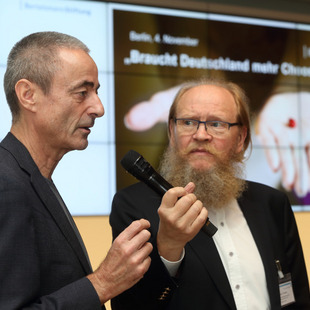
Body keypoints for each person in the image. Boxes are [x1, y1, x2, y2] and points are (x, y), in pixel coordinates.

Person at [110, 77, 310, 309]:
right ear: (172, 133)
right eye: (188, 122)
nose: (201, 135)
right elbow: (132, 306)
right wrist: (169, 248)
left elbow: (297, 299)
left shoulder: (272, 204)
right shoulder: (133, 206)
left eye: (216, 124)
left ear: (240, 139)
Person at [0, 31, 153, 309]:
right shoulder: (6, 182)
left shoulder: (34, 176)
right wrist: (103, 282)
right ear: (28, 95)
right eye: (82, 92)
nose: (99, 108)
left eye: (96, 92)